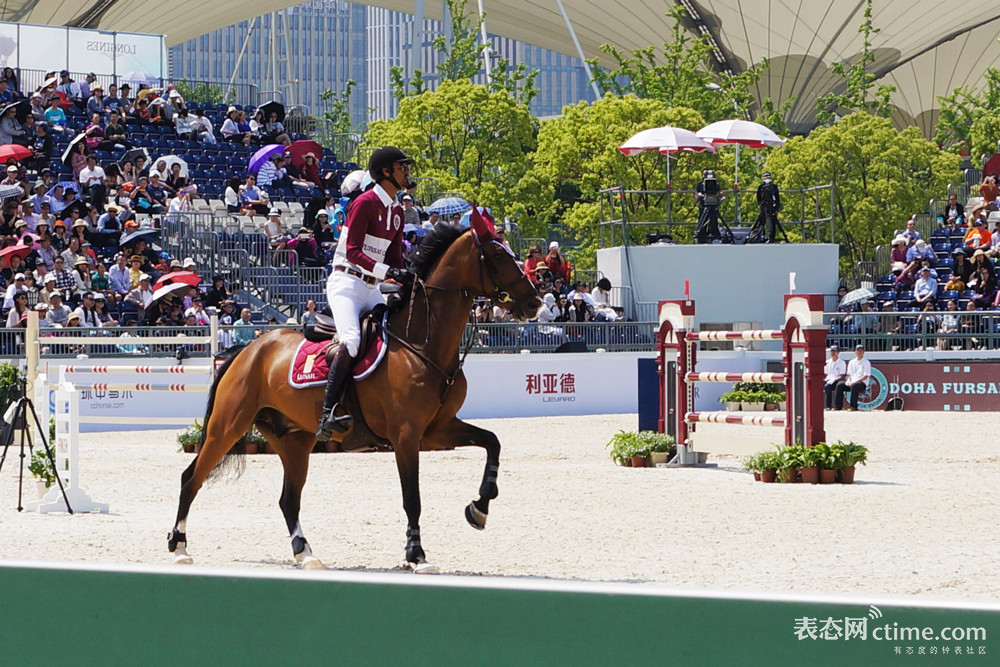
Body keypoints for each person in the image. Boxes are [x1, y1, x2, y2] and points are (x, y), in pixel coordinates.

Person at [317, 146, 414, 441]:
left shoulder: (396, 211)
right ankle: (327, 413)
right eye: (402, 167)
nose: (407, 172)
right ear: (386, 172)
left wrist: (410, 276)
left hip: (372, 288)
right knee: (353, 342)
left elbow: (396, 260)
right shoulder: (364, 203)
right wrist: (388, 273)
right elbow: (354, 252)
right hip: (347, 283)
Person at [834, 345, 871, 411]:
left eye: (861, 350)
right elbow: (849, 374)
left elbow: (866, 375)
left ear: (863, 352)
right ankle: (838, 406)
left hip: (862, 383)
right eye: (858, 350)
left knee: (855, 386)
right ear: (855, 352)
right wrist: (849, 380)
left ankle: (853, 407)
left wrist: (856, 381)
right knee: (840, 385)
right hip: (852, 381)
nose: (859, 352)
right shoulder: (852, 362)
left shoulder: (866, 362)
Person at [750, 172, 782, 243]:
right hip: (764, 207)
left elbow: (777, 199)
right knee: (761, 223)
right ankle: (761, 236)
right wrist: (761, 205)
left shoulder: (774, 187)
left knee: (772, 223)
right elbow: (758, 198)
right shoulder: (760, 187)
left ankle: (771, 238)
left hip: (772, 208)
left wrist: (776, 209)